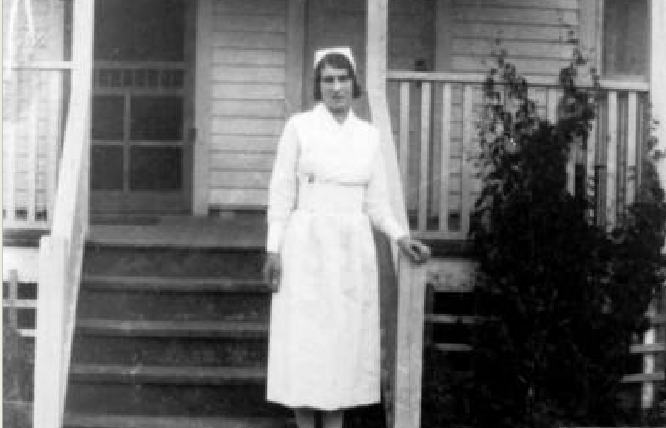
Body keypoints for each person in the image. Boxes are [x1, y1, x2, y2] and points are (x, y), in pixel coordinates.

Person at [263, 47, 430, 428]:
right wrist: (273, 248)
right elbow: (281, 192)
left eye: (343, 79)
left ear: (354, 84)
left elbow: (378, 202)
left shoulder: (368, 137)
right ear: (317, 86)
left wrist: (401, 237)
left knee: (340, 350)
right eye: (328, 79)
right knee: (306, 347)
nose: (336, 87)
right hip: (306, 247)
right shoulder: (299, 127)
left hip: (351, 252)